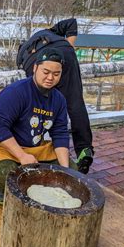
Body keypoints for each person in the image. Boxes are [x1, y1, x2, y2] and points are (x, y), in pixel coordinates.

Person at [0, 47, 72, 204]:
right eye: (46, 72)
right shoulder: (15, 92)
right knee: (4, 174)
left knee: (72, 170)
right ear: (35, 68)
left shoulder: (59, 100)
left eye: (56, 74)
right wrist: (22, 156)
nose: (50, 77)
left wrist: (65, 171)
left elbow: (60, 133)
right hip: (5, 145)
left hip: (35, 148)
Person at [19, 18, 94, 174]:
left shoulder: (22, 53)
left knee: (39, 105)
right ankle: (84, 149)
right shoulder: (48, 32)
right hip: (64, 51)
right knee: (74, 102)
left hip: (36, 63)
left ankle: (35, 145)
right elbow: (72, 22)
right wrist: (69, 47)